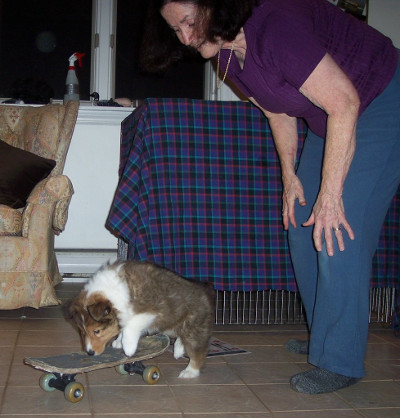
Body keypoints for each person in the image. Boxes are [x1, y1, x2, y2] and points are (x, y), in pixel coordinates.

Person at [140, 0, 400, 394]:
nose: (187, 38)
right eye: (176, 30)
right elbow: (278, 113)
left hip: (380, 99)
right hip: (331, 116)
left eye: (190, 22)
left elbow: (344, 101)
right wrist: (290, 178)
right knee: (300, 224)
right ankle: (324, 337)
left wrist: (330, 196)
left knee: (335, 231)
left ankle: (340, 359)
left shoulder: (276, 27)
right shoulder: (226, 59)